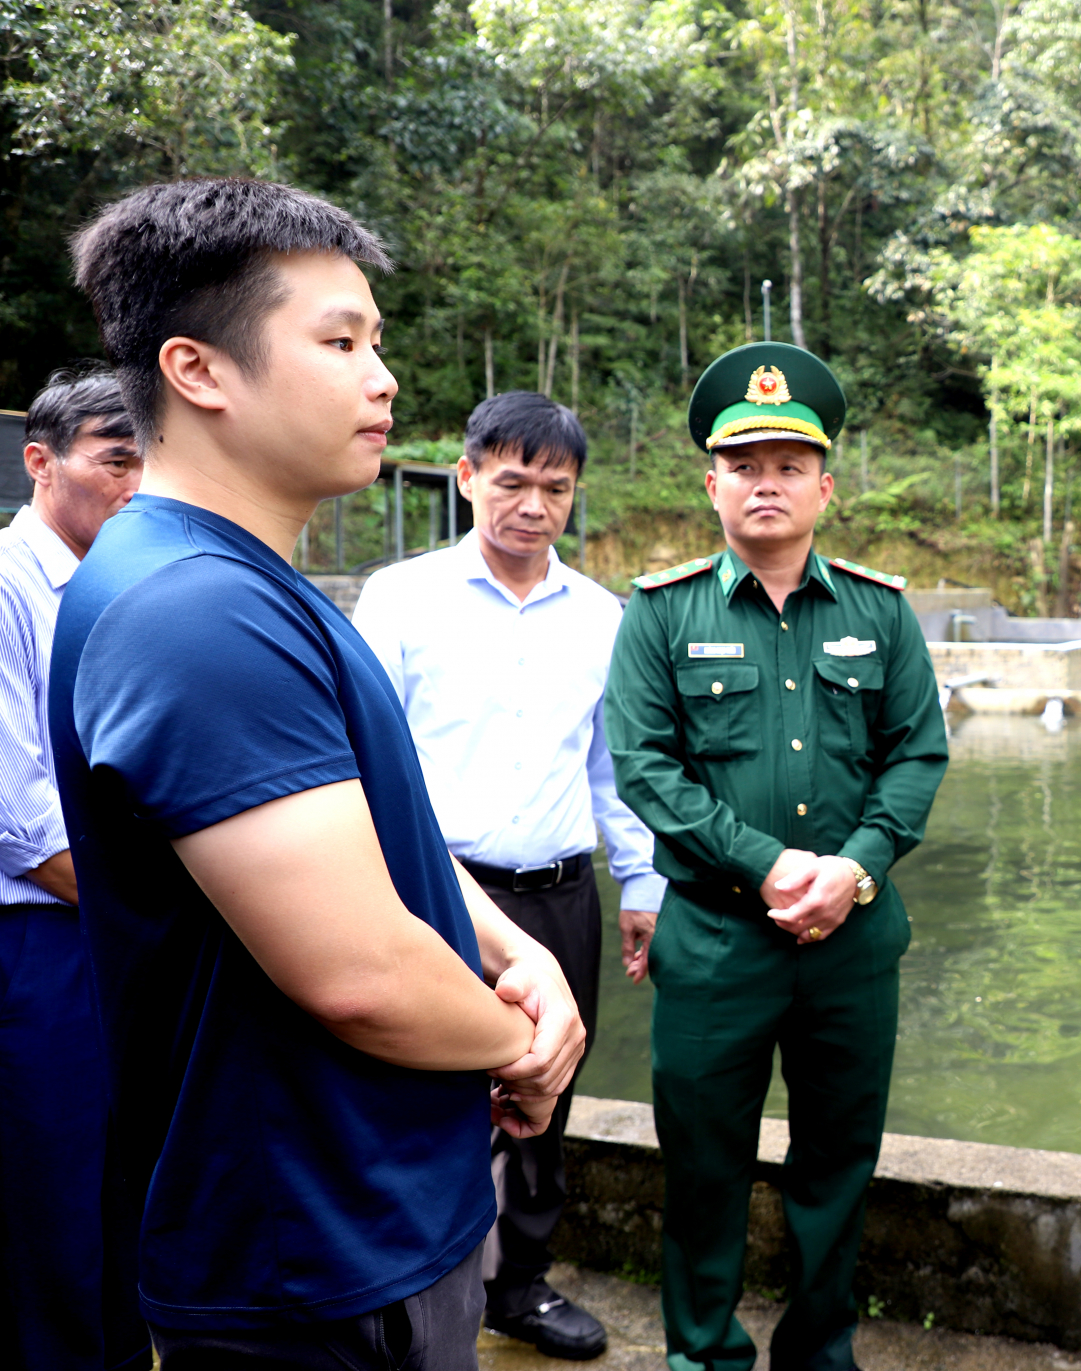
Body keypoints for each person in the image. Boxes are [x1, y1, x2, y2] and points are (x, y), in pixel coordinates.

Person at [55, 177, 586, 1370]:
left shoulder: (252, 584)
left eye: (377, 342)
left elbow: (374, 849)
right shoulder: (192, 613)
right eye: (338, 341)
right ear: (199, 371)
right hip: (307, 1252)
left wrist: (516, 951)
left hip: (374, 1205)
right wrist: (523, 1044)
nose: (381, 375)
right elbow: (358, 974)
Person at [604, 341, 948, 1371]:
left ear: (824, 486)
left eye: (789, 464)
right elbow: (646, 767)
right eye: (745, 463)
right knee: (703, 1165)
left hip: (853, 941)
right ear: (712, 483)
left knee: (837, 1163)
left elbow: (917, 753)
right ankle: (703, 1353)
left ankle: (820, 1352)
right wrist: (767, 864)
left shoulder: (881, 612)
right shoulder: (662, 612)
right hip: (713, 940)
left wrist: (856, 867)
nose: (767, 482)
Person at [353, 389, 667, 1360]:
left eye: (555, 487)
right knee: (423, 1084)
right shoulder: (401, 598)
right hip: (439, 892)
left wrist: (642, 883)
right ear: (468, 476)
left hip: (564, 890)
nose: (532, 505)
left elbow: (612, 766)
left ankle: (519, 1287)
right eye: (513, 481)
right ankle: (400, 1280)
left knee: (546, 1086)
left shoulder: (603, 616)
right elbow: (370, 760)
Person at [0, 367, 146, 1371]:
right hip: (48, 939)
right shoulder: (11, 588)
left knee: (129, 1185)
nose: (137, 483)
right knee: (54, 1195)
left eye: (149, 460)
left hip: (126, 929)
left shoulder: (128, 583)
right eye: (116, 458)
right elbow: (21, 817)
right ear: (41, 463)